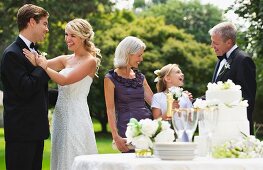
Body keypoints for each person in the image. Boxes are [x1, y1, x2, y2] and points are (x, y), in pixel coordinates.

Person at [23, 18, 101, 170]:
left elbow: (65, 80)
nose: (67, 39)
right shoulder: (66, 59)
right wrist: (34, 59)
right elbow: (37, 65)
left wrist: (44, 65)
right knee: (61, 155)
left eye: (72, 35)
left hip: (77, 115)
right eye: (66, 34)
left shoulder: (90, 61)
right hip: (60, 115)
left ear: (83, 36)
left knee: (75, 153)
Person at [0, 4, 50, 170]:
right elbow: (26, 88)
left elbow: (38, 91)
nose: (47, 29)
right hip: (21, 133)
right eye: (44, 23)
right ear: (31, 22)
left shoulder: (34, 51)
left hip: (36, 131)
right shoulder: (12, 54)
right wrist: (41, 67)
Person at [104, 36, 153, 153]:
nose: (141, 59)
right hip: (127, 130)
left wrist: (172, 98)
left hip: (147, 128)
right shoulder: (110, 78)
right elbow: (110, 109)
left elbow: (154, 102)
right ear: (128, 54)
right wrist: (115, 137)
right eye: (139, 55)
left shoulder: (140, 77)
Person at [209, 22, 256, 135]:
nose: (211, 46)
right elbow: (215, 93)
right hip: (218, 127)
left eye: (215, 43)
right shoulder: (220, 60)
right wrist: (192, 101)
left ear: (229, 42)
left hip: (236, 129)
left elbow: (247, 99)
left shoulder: (243, 60)